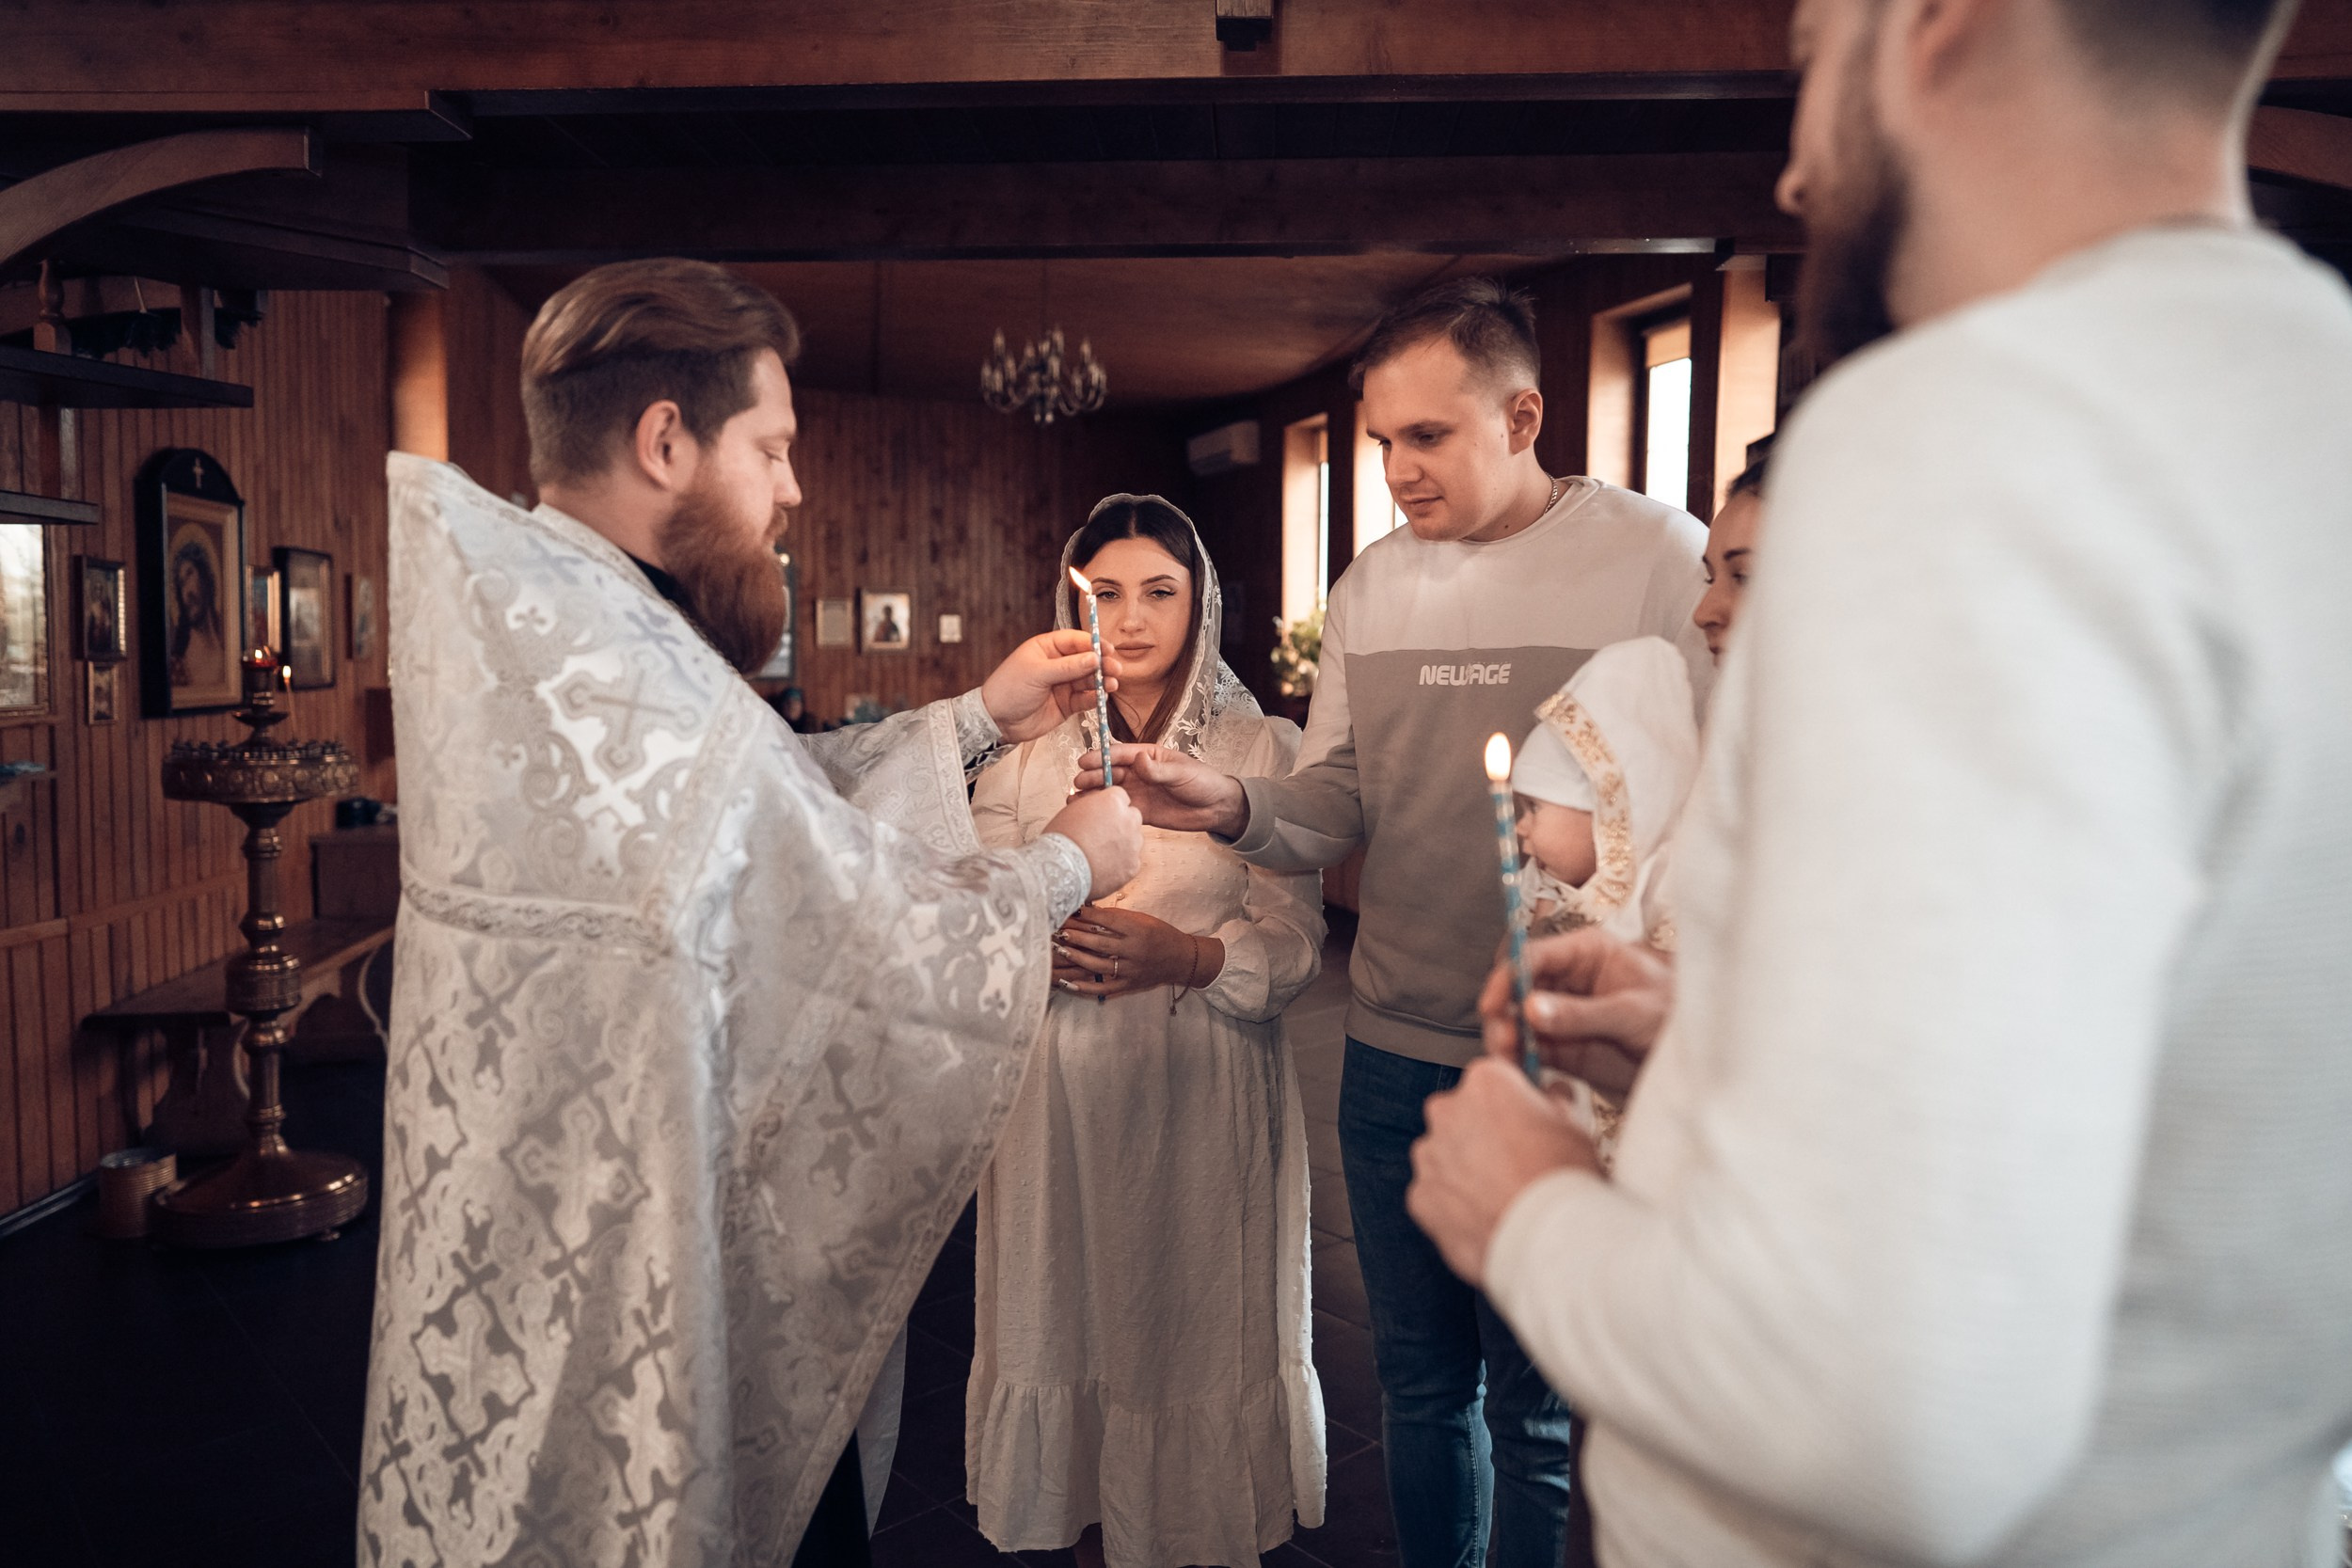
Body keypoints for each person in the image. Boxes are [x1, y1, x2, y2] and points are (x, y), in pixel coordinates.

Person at [1405, 0, 2352, 1563]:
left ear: (1933, 20)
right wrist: (1716, 1048)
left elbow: (1886, 1415)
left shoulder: (1961, 443)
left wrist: (1534, 1214)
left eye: (1810, 58)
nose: (1793, 170)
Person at [362, 257, 1145, 1568]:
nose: (792, 488)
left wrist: (975, 716)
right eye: (772, 447)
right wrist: (1067, 860)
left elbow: (768, 813)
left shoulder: (569, 636)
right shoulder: (629, 667)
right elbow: (851, 917)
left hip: (526, 1254)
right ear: (666, 440)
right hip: (635, 1285)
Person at [1083, 277, 1712, 1568]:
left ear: (1523, 413)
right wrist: (1235, 801)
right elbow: (1335, 801)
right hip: (1390, 1049)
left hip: (1558, 1057)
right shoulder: (1371, 584)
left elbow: (1702, 805)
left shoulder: (1660, 559)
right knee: (1424, 1390)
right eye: (1380, 441)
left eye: (1426, 437)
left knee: (1535, 1410)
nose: (1396, 469)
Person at [966, 495, 1328, 1568]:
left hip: (1202, 1081)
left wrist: (1187, 955)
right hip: (1058, 1089)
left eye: (1158, 592)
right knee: (1067, 1309)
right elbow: (975, 901)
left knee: (1188, 1318)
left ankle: (1193, 1523)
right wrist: (1045, 919)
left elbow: (1296, 930)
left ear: (1201, 600)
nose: (1130, 619)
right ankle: (1083, 1504)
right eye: (1106, 592)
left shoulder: (1260, 741)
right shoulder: (1032, 746)